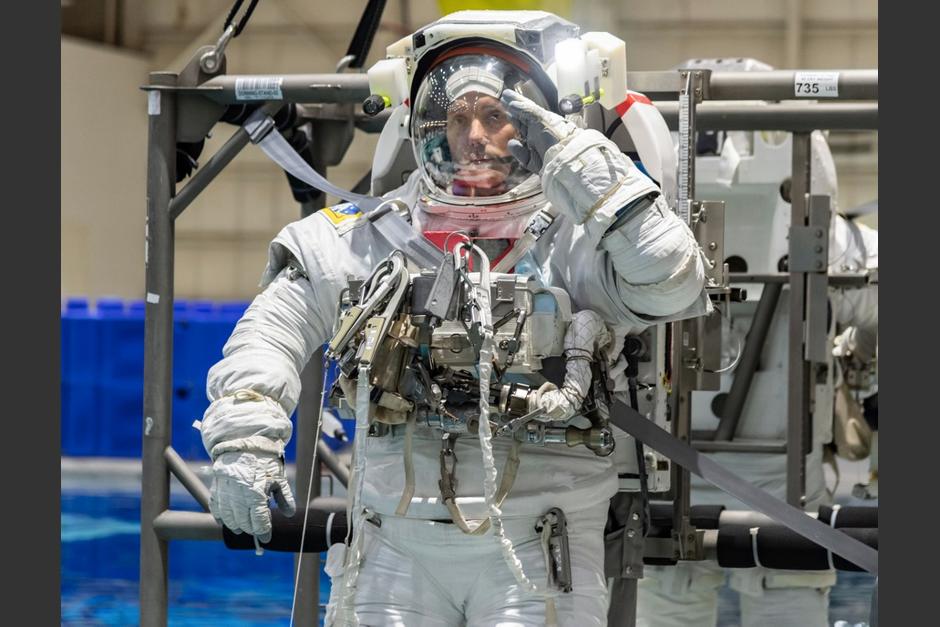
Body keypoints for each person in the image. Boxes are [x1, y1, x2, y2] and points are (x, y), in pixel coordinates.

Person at [198, 10, 708, 625]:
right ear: (425, 126)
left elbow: (674, 282)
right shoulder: (371, 237)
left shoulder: (579, 241)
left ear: (538, 123)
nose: (474, 137)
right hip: (394, 541)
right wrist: (245, 436)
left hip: (538, 544)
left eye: (496, 116)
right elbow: (270, 332)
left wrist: (584, 166)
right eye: (457, 117)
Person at [634, 58, 878, 627]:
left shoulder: (630, 252)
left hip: (671, 480)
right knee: (783, 598)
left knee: (670, 603)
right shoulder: (840, 248)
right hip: (772, 490)